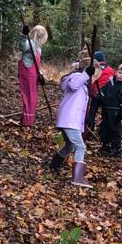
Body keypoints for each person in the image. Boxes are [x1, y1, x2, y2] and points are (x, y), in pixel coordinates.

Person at [49, 51, 96, 188]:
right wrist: (86, 74)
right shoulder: (77, 78)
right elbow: (74, 85)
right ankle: (77, 178)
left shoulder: (82, 82)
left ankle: (54, 165)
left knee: (69, 145)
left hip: (70, 121)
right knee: (80, 147)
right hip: (69, 120)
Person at [95, 61, 122, 155]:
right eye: (119, 73)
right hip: (106, 109)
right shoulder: (109, 83)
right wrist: (100, 96)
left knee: (114, 130)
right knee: (104, 128)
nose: (120, 76)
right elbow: (103, 91)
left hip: (115, 112)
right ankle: (105, 145)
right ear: (116, 72)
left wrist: (120, 114)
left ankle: (115, 148)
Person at [18, 23, 48, 127]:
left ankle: (27, 119)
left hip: (33, 74)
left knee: (33, 97)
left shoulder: (39, 47)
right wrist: (23, 35)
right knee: (28, 96)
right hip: (27, 72)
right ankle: (27, 122)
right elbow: (22, 46)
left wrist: (40, 75)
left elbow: (37, 64)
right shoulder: (29, 43)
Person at [85, 50, 112, 138]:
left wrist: (91, 92)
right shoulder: (110, 70)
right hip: (107, 96)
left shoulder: (93, 70)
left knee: (92, 112)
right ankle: (103, 131)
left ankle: (89, 130)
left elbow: (90, 82)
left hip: (96, 95)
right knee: (105, 113)